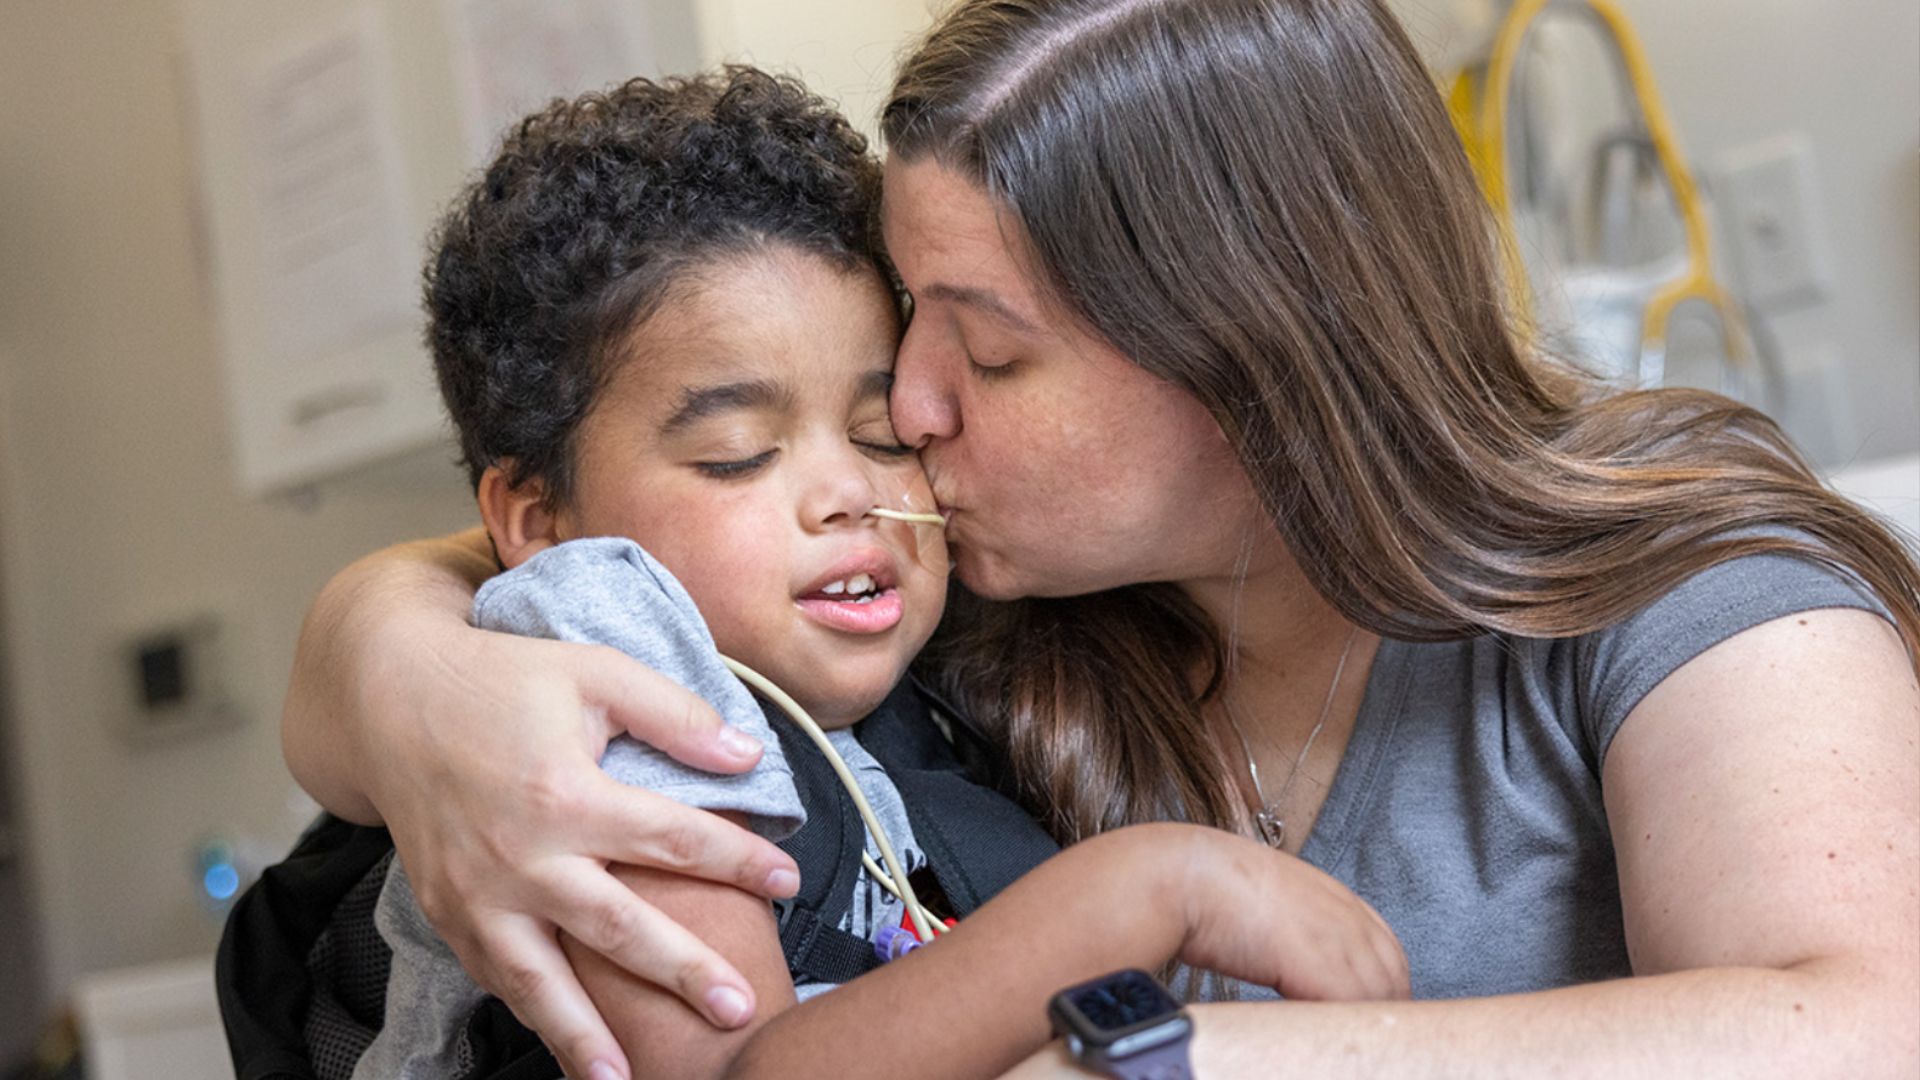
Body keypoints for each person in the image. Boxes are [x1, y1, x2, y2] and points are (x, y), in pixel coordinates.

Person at [280, 1, 1920, 1078]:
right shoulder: (983, 623)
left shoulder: (1682, 583)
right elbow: (562, 570)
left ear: (1246, 348)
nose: (906, 418)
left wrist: (1155, 1051)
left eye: (981, 351)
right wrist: (408, 672)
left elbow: (1864, 1027)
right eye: (910, 323)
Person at [294, 66, 1405, 1080]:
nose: (849, 495)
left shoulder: (934, 650)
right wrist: (1154, 890)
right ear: (539, 520)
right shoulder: (609, 692)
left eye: (882, 437)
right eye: (740, 455)